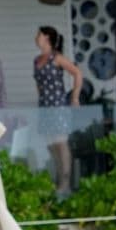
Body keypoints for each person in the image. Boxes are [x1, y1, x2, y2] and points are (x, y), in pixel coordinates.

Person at [33, 25, 83, 196]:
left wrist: (74, 97)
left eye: (39, 35)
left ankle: (66, 182)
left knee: (61, 143)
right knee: (51, 145)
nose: (36, 37)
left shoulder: (57, 58)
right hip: (45, 107)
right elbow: (39, 84)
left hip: (58, 106)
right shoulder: (37, 60)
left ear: (47, 38)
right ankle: (59, 178)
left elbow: (77, 73)